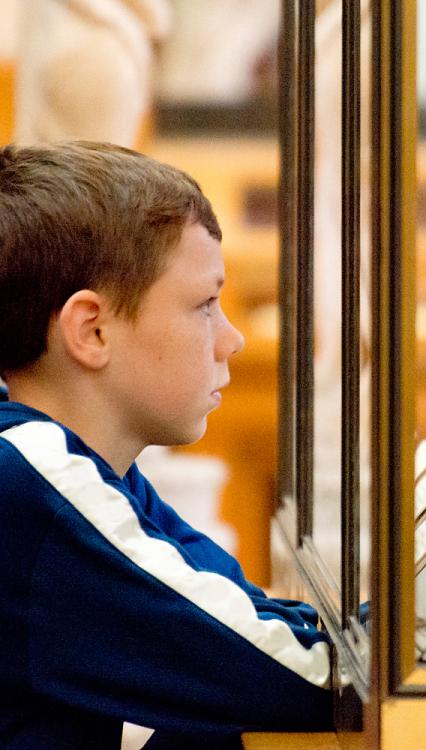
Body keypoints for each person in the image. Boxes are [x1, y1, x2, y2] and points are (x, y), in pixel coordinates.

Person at [0, 141, 332, 748]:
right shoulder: (35, 481)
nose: (230, 339)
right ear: (92, 330)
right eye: (205, 305)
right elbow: (303, 674)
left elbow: (233, 608)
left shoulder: (83, 468)